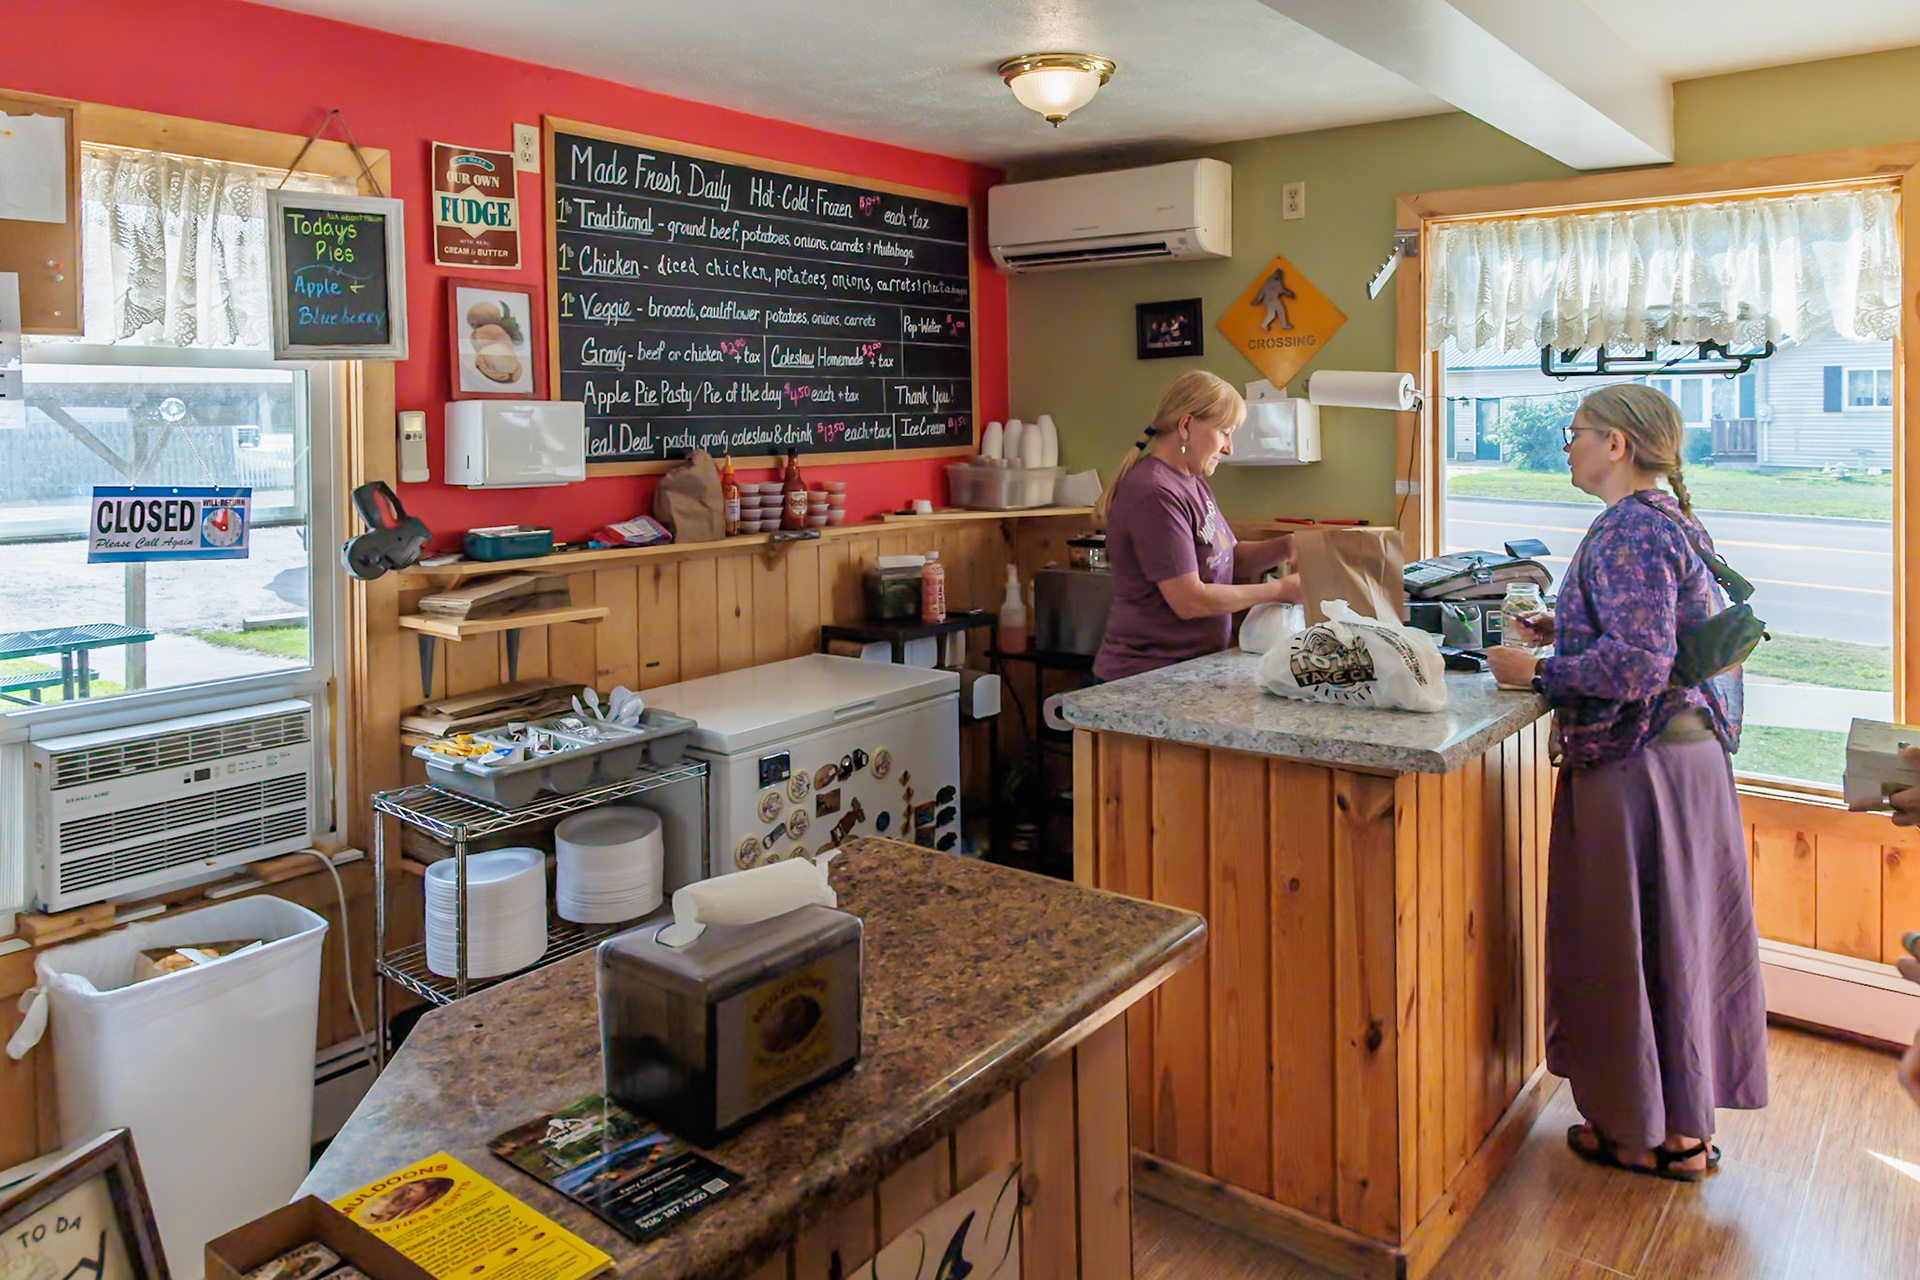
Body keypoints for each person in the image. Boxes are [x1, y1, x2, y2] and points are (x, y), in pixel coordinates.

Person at [1486, 383, 1768, 1181]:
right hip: (1688, 762)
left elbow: (1638, 667)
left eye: (1577, 434)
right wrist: (1567, 627)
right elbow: (1666, 639)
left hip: (1638, 768)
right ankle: (1680, 1129)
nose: (1567, 446)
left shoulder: (1625, 530)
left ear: (1618, 446)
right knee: (1674, 946)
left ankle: (1642, 1134)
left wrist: (1536, 667)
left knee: (1623, 946)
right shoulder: (1671, 519)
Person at [1092, 370, 1300, 682]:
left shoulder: (1192, 479)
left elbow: (1226, 560)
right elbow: (1189, 600)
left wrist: (1287, 545)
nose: (1229, 448)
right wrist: (1279, 590)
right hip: (1144, 678)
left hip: (1188, 668)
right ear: (1186, 426)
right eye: (1225, 432)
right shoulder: (1154, 492)